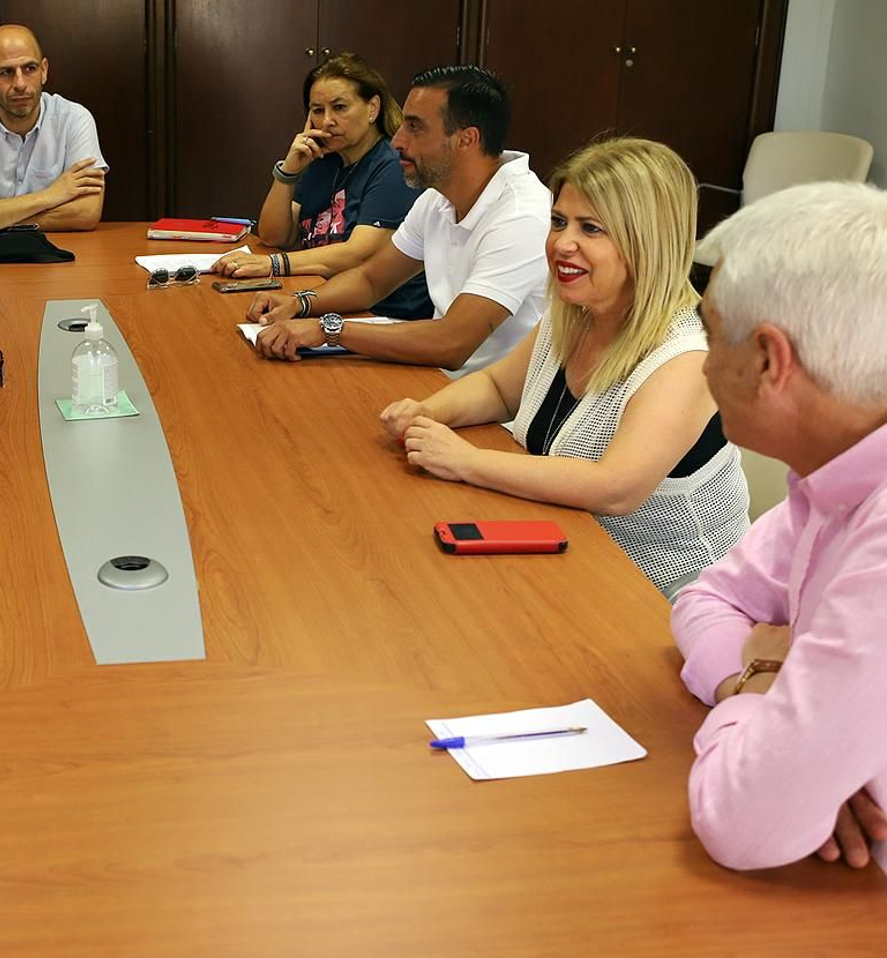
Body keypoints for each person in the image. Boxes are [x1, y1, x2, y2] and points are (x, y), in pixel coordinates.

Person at [378, 138, 748, 597]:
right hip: (564, 549)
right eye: (558, 222)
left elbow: (615, 489)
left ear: (646, 241)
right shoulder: (574, 311)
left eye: (590, 228)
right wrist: (429, 412)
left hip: (666, 591)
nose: (562, 243)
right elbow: (498, 389)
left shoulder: (688, 354)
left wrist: (466, 460)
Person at [671, 181, 887, 872]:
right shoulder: (836, 473)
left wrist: (768, 716)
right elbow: (706, 600)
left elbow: (744, 821)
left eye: (707, 333)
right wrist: (766, 700)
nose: (704, 364)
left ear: (768, 359)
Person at [249, 64, 549, 376]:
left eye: (415, 127)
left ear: (466, 139)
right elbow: (371, 280)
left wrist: (329, 329)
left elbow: (452, 342)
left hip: (492, 409)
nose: (397, 141)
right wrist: (299, 302)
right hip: (436, 379)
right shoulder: (437, 197)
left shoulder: (521, 216)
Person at [212, 52, 429, 320]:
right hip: (320, 301)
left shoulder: (393, 165)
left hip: (381, 316)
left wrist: (273, 263)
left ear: (372, 108)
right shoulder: (322, 162)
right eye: (317, 110)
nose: (327, 121)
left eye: (339, 107)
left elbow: (358, 254)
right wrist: (288, 172)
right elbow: (274, 236)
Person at [0, 23, 107, 237]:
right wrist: (51, 195)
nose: (20, 83)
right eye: (6, 72)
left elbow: (86, 214)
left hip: (59, 261)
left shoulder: (74, 119)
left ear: (44, 71)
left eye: (30, 69)